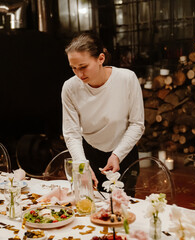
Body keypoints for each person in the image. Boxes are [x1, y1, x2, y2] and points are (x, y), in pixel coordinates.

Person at [61, 32, 145, 192]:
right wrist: (81, 163)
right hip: (89, 153)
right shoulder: (70, 88)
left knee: (123, 208)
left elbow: (137, 124)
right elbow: (71, 133)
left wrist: (117, 155)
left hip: (124, 152)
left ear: (101, 59)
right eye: (73, 68)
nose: (79, 74)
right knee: (89, 206)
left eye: (83, 67)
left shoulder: (127, 79)